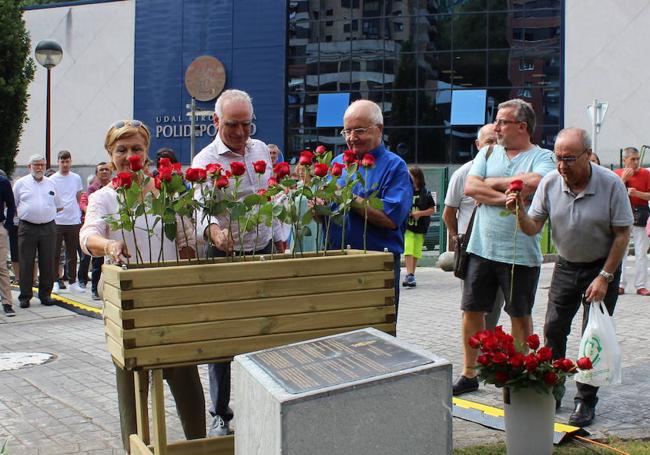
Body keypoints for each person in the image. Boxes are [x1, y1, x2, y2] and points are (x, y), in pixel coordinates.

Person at [80, 120, 205, 452]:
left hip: (168, 296)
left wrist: (195, 244)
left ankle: (199, 444)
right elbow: (88, 234)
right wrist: (108, 246)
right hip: (128, 299)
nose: (129, 155)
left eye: (136, 148)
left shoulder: (165, 190)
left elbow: (187, 238)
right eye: (122, 150)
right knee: (132, 380)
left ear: (147, 152)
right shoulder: (105, 198)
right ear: (110, 154)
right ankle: (135, 447)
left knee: (184, 375)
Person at [506, 127, 632, 426]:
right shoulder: (551, 182)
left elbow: (623, 235)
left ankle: (585, 401)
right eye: (558, 158)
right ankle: (552, 389)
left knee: (593, 337)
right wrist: (519, 211)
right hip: (566, 266)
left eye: (569, 159)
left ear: (588, 155)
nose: (562, 166)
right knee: (554, 328)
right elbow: (533, 227)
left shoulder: (610, 184)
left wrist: (604, 276)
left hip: (601, 267)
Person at [192, 89, 284, 437]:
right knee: (222, 336)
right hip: (224, 256)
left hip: (263, 251)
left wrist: (279, 235)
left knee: (267, 329)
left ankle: (266, 404)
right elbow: (199, 207)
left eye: (247, 125)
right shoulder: (205, 161)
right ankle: (220, 414)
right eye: (233, 125)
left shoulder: (261, 150)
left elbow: (270, 196)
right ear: (216, 121)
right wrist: (214, 231)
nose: (242, 133)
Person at [453, 99, 555, 396]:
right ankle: (469, 373)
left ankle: (520, 373)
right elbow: (471, 188)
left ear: (522, 126)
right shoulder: (487, 151)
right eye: (496, 122)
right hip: (481, 248)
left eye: (502, 122)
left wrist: (493, 184)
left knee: (519, 314)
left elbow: (536, 181)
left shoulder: (543, 156)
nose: (495, 127)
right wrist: (506, 196)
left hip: (520, 254)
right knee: (472, 311)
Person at [328, 99, 412, 312]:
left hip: (375, 265)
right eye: (346, 131)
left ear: (379, 130)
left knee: (376, 332)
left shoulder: (395, 166)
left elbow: (391, 219)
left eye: (359, 130)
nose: (351, 138)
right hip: (335, 261)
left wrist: (346, 197)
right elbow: (329, 211)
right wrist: (317, 206)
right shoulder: (338, 162)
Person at [442, 124, 504, 347]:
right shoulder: (463, 174)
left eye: (497, 141)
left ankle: (488, 352)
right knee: (472, 306)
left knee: (496, 305)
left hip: (500, 249)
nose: (493, 147)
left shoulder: (508, 172)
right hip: (472, 250)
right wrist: (455, 236)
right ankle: (473, 355)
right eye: (489, 142)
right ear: (478, 145)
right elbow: (448, 213)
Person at [13, 154, 62, 308]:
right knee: (26, 261)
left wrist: (45, 213)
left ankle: (45, 295)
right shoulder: (20, 184)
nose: (39, 168)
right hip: (27, 227)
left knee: (47, 261)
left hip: (48, 226)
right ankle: (25, 296)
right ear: (29, 167)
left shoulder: (51, 183)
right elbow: (13, 205)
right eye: (36, 165)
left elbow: (59, 205)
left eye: (42, 165)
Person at [614, 147, 650, 296]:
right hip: (623, 215)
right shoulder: (617, 174)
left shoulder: (645, 174)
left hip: (640, 214)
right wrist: (623, 180)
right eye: (632, 159)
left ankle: (640, 285)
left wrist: (637, 193)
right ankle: (620, 284)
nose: (636, 162)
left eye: (637, 159)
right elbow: (613, 193)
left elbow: (649, 196)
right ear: (625, 161)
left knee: (641, 252)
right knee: (621, 251)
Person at [51, 150, 84, 293]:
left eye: (67, 161)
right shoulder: (52, 179)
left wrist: (74, 211)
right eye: (62, 161)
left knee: (72, 253)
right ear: (58, 162)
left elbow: (78, 196)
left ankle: (72, 282)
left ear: (71, 162)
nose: (65, 164)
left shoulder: (76, 177)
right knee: (55, 253)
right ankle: (55, 281)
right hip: (57, 220)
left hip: (73, 219)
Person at [402, 166, 436, 287]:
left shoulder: (426, 193)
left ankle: (411, 275)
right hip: (408, 226)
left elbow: (432, 209)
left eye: (410, 175)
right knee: (408, 248)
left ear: (416, 178)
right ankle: (409, 275)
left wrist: (419, 214)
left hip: (420, 227)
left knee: (416, 251)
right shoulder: (405, 191)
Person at [0, 171, 16, 316]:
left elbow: (11, 205)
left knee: (2, 267)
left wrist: (7, 225)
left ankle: (7, 303)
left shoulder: (3, 182)